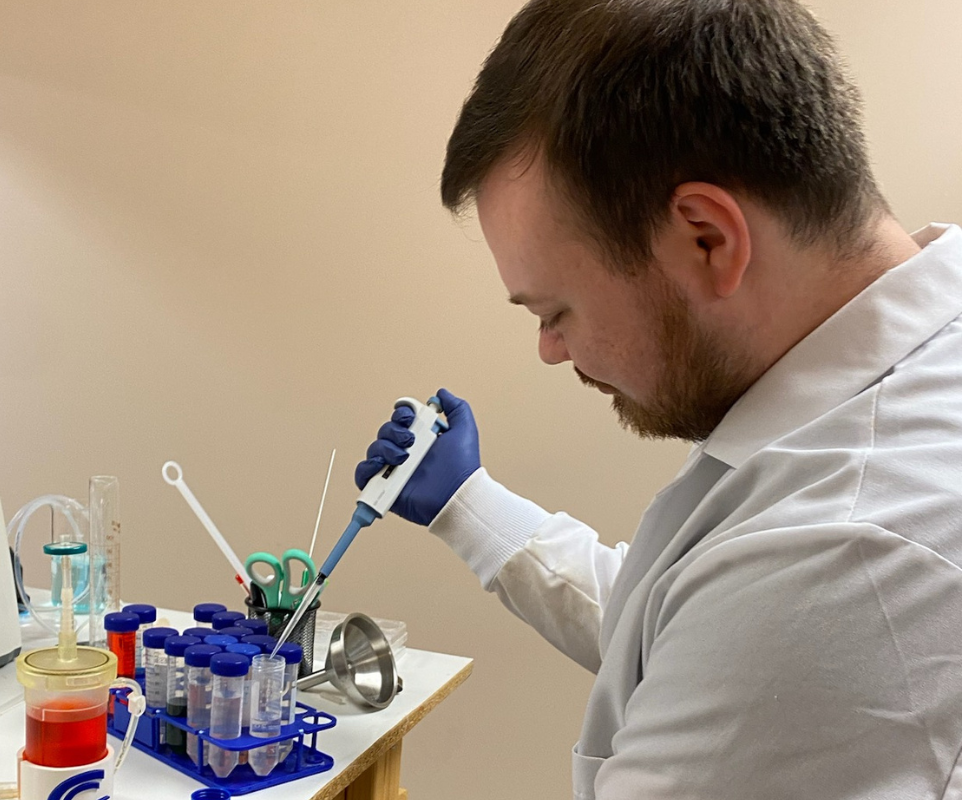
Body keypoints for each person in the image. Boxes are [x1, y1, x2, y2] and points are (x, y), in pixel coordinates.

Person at [355, 1, 962, 797]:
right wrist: (470, 507)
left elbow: (760, 628)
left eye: (554, 311)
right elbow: (693, 629)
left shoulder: (838, 557)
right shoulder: (898, 390)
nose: (550, 350)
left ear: (707, 238)